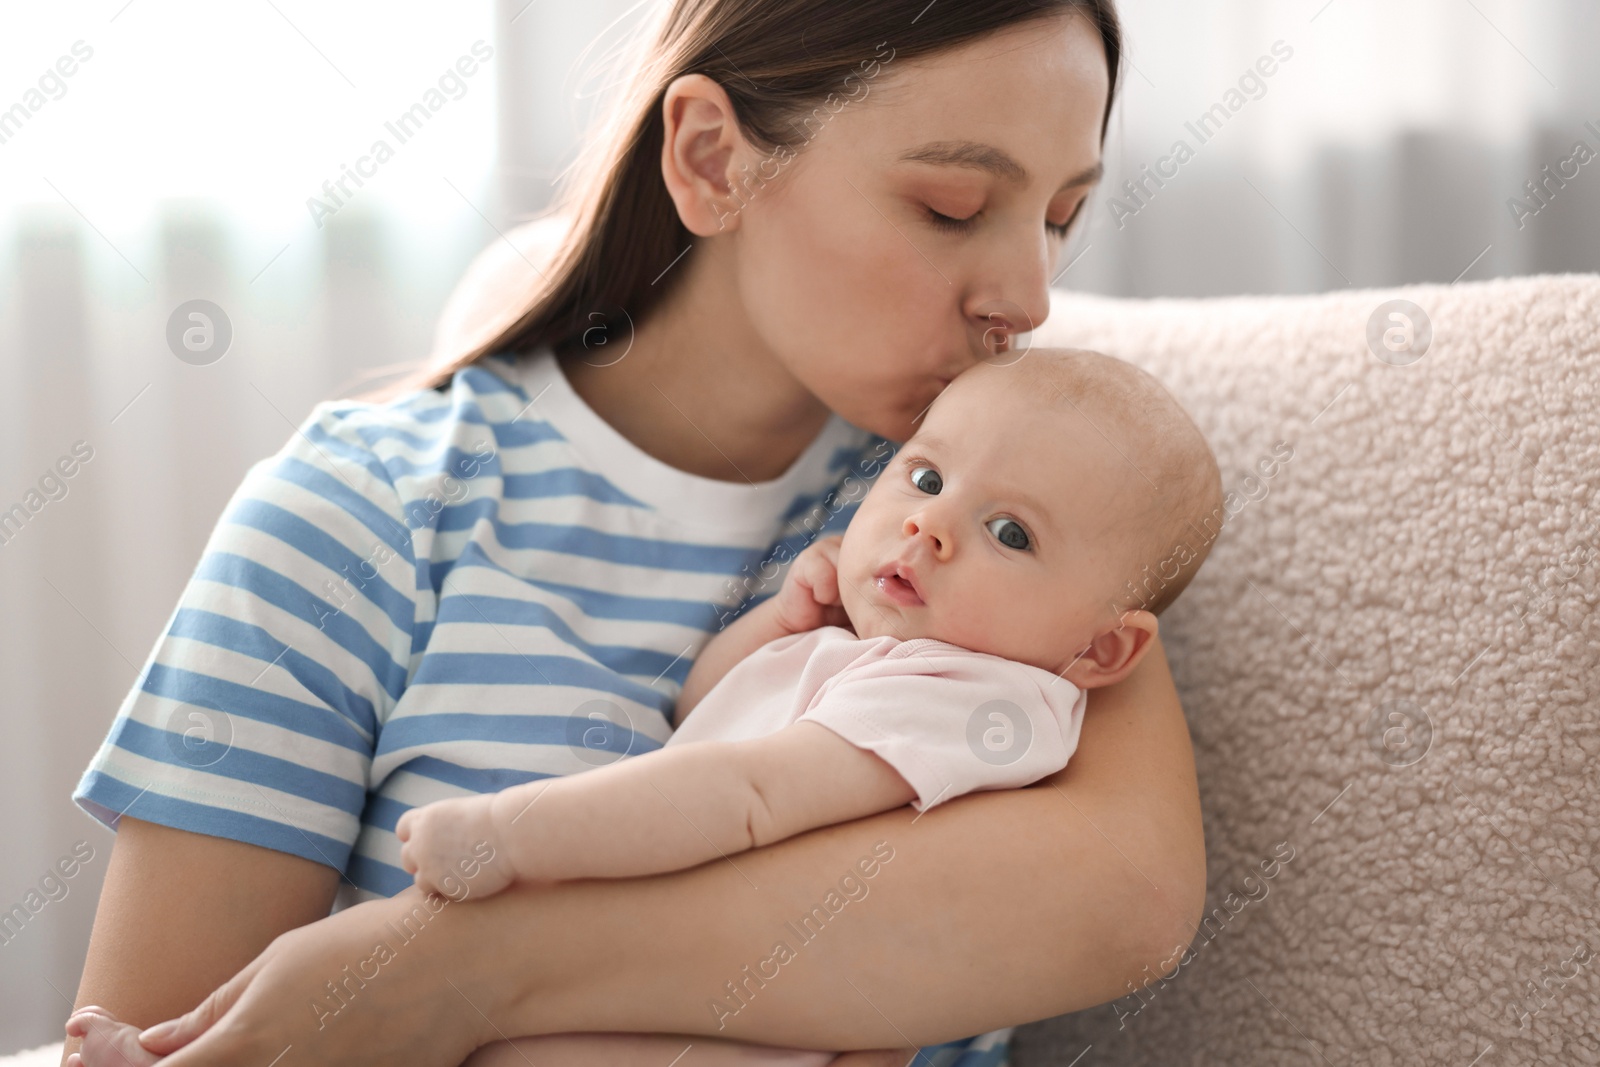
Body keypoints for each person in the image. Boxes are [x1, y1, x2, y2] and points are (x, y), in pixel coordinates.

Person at [61, 2, 1209, 1065]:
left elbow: (1127, 901)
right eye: (950, 205)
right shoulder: (362, 516)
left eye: (1061, 216)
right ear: (713, 160)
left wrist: (460, 967)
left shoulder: (1017, 521)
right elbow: (167, 1031)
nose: (1029, 292)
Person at [398, 350, 1223, 1066]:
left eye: (1010, 533)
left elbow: (750, 797)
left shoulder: (980, 700)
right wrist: (781, 626)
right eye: (928, 476)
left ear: (1103, 650)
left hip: (724, 1028)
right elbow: (703, 715)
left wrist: (509, 835)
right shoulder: (887, 656)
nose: (928, 523)